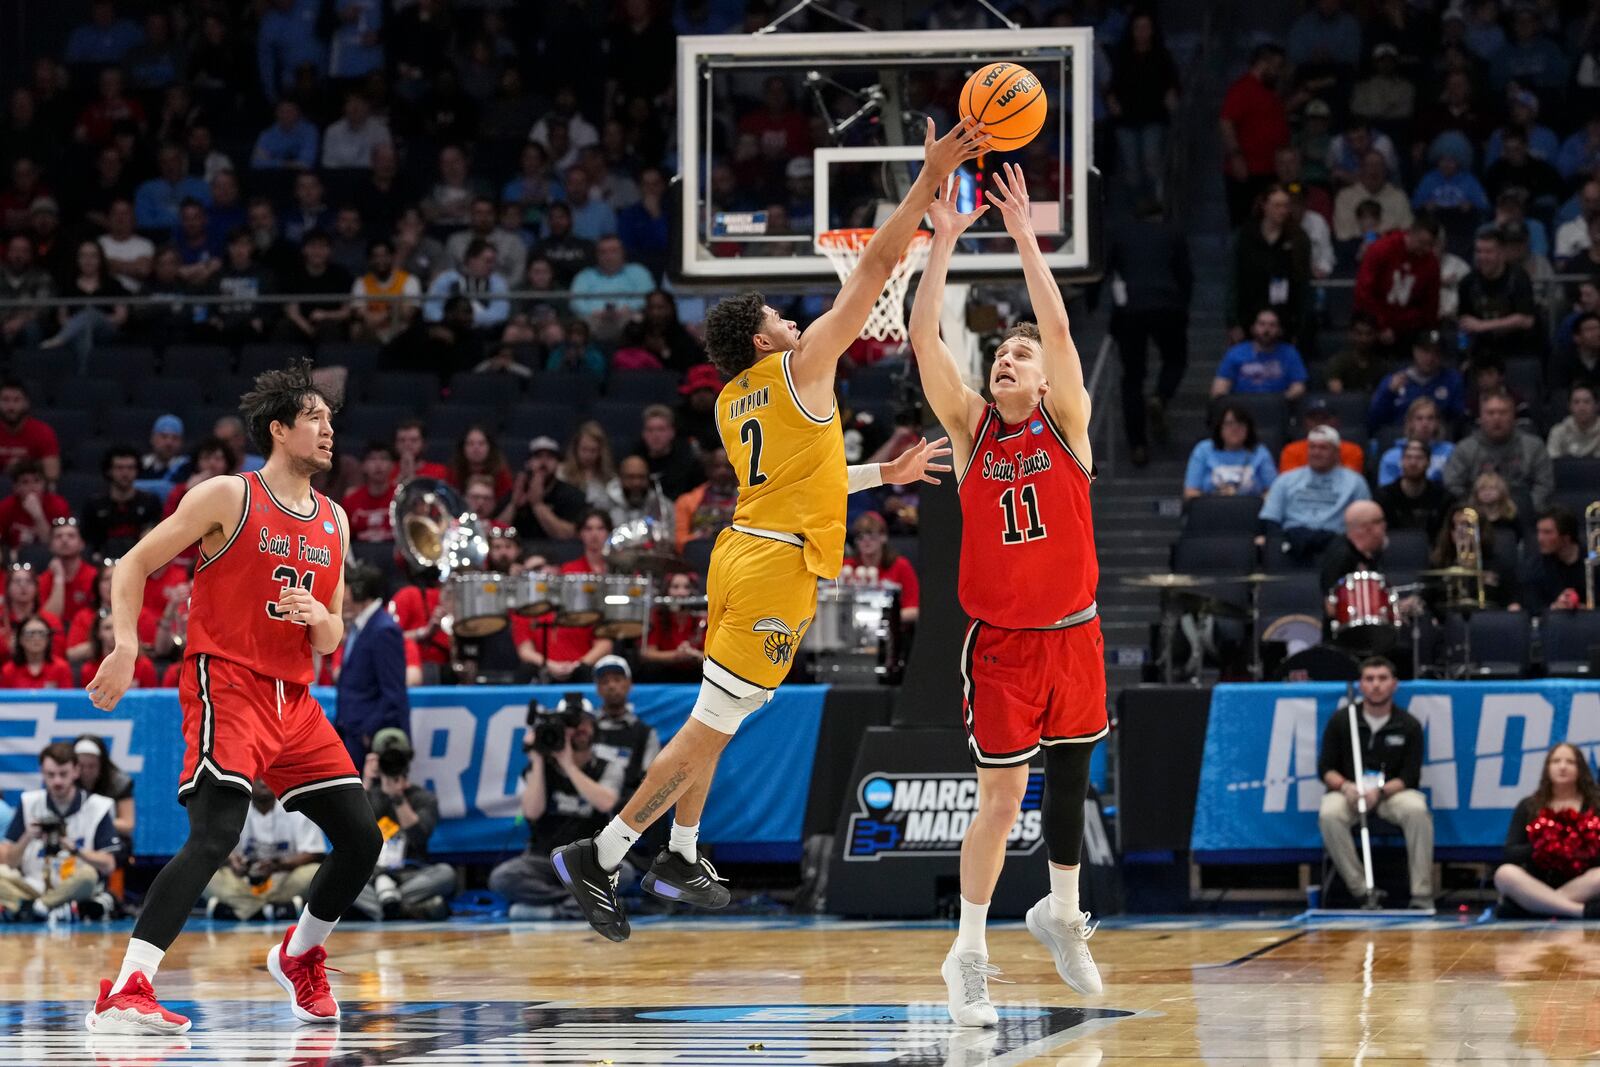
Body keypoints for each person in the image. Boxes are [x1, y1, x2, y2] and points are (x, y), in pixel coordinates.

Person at [549, 118, 983, 941]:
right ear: (764, 339)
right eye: (784, 317)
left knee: (727, 714)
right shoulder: (806, 363)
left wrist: (877, 476)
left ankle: (680, 850)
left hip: (747, 552)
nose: (796, 321)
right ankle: (601, 855)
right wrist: (928, 183)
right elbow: (881, 264)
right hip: (772, 569)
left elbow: (793, 482)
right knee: (707, 726)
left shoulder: (730, 398)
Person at [83, 360, 380, 1034]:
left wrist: (317, 615)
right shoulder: (228, 496)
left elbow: (332, 636)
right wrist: (127, 646)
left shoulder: (336, 519)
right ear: (280, 429)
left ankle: (300, 954)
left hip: (295, 700)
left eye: (331, 419)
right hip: (230, 681)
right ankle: (127, 987)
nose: (330, 429)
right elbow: (133, 563)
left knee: (363, 838)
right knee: (218, 831)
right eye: (316, 418)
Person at [907, 164, 1105, 1025]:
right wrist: (943, 244)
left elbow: (1056, 324)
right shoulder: (969, 428)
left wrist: (1025, 233)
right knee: (1000, 800)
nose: (1007, 360)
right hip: (1003, 644)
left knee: (1071, 778)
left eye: (1018, 356)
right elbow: (923, 342)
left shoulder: (1068, 425)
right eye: (999, 354)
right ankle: (969, 953)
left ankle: (1061, 913)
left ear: (1045, 382)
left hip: (1078, 632)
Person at [489, 695, 637, 919]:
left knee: (624, 873)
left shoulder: (608, 767)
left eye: (584, 723)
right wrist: (538, 760)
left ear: (594, 728)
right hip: (545, 860)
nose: (578, 729)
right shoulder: (541, 768)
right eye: (570, 724)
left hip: (590, 862)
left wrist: (568, 765)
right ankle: (582, 905)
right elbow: (532, 811)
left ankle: (550, 911)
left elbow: (605, 802)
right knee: (503, 877)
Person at [1317, 657, 1433, 909]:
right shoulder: (1342, 721)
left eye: (1382, 678)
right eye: (1369, 679)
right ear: (1361, 685)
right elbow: (1325, 769)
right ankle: (1363, 891)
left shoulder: (1408, 725)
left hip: (1390, 794)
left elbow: (1410, 776)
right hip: (1349, 791)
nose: (1376, 685)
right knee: (1329, 813)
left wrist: (1378, 792)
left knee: (1417, 809)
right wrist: (1347, 787)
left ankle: (1422, 896)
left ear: (1394, 684)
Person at [1106, 196, 1191, 464]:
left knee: (1132, 377)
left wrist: (1093, 303)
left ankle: (1137, 446)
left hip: (1129, 311)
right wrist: (1183, 307)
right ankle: (1160, 396)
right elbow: (1186, 275)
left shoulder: (1121, 235)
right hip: (1167, 305)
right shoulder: (1173, 233)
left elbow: (1106, 270)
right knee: (1176, 359)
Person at [0, 742, 120, 921]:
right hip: (32, 887)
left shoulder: (98, 806)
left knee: (89, 875)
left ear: (76, 771)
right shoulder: (28, 802)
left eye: (63, 774)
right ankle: (45, 909)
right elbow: (7, 861)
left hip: (74, 886)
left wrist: (75, 850)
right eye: (51, 775)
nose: (57, 781)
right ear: (42, 772)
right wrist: (27, 837)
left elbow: (109, 864)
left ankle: (34, 909)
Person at [352, 730, 453, 921]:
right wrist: (365, 781)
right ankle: (404, 909)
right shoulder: (366, 795)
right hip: (370, 876)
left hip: (409, 875)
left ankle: (386, 905)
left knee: (446, 873)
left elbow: (419, 837)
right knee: (336, 880)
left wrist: (397, 798)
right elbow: (351, 831)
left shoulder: (423, 798)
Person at [1493, 744, 1600, 919]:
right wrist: (1543, 847)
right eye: (1556, 761)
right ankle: (1578, 911)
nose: (1563, 766)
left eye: (1570, 762)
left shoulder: (1595, 805)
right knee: (1504, 873)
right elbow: (1510, 852)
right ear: (1547, 768)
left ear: (1580, 768)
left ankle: (1534, 907)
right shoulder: (1529, 805)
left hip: (1582, 885)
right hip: (1538, 882)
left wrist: (1581, 848)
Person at [202, 779, 326, 921]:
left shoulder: (296, 806)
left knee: (316, 872)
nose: (263, 782)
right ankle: (279, 909)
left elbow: (314, 853)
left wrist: (279, 865)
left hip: (283, 879)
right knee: (204, 873)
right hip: (243, 881)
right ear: (248, 781)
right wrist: (233, 862)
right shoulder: (234, 809)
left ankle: (240, 910)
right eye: (258, 777)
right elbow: (216, 850)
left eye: (267, 776)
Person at [334, 562, 409, 770]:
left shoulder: (383, 630)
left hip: (370, 741)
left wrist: (368, 731)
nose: (340, 595)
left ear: (358, 590)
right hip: (353, 734)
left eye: (345, 588)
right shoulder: (360, 626)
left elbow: (393, 692)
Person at [1259, 427, 1372, 564]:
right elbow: (1270, 519)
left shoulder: (1355, 482)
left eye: (1323, 448)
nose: (1316, 452)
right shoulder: (1285, 480)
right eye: (1312, 447)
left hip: (1337, 544)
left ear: (1337, 452)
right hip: (1293, 542)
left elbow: (1365, 521)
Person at [1443, 390, 1553, 511]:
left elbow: (1544, 485)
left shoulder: (1533, 446)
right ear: (1481, 417)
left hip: (1524, 512)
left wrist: (1527, 508)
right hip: (1478, 512)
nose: (1497, 418)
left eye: (1503, 412)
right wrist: (1473, 505)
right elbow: (1452, 484)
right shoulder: (1465, 449)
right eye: (1490, 413)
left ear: (1513, 416)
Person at [1227, 189, 1311, 347]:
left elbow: (1303, 283)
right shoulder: (1245, 235)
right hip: (1249, 315)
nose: (1282, 210)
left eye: (1286, 206)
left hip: (1284, 317)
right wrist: (1233, 321)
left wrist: (1300, 324)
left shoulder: (1298, 238)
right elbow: (1234, 280)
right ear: (1264, 206)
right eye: (1277, 205)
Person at [1352, 214, 1440, 346]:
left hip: (1409, 327)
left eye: (1430, 245)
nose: (1426, 249)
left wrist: (1431, 332)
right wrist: (1381, 325)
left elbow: (1431, 303)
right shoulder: (1381, 249)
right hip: (1374, 322)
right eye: (1422, 243)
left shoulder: (1431, 263)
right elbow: (1363, 292)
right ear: (1410, 234)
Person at [1456, 226, 1539, 365]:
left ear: (1502, 253)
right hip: (1482, 352)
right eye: (1479, 251)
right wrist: (1463, 354)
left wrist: (1483, 325)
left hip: (1518, 351)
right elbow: (1465, 322)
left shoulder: (1518, 278)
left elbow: (1526, 320)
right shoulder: (1468, 282)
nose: (1482, 257)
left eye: (1488, 252)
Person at [590, 655, 661, 796]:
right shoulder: (586, 728)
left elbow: (652, 781)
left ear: (629, 684)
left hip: (627, 809)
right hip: (590, 808)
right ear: (597, 688)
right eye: (604, 682)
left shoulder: (645, 734)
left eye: (617, 680)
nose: (611, 686)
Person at [1367, 331, 1465, 429]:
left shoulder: (1452, 380)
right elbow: (1373, 421)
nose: (1430, 358)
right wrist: (1388, 393)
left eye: (1436, 352)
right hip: (1398, 439)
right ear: (1415, 351)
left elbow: (1458, 421)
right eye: (1425, 351)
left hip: (1437, 439)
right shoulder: (1394, 379)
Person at [1183, 403, 1277, 500]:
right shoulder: (1203, 450)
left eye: (1240, 424)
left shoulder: (1260, 452)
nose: (1235, 429)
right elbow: (1190, 492)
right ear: (1220, 427)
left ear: (1248, 429)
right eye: (1229, 424)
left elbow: (1273, 492)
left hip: (1249, 510)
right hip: (1212, 509)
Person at [843, 511, 920, 624]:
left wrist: (880, 618)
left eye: (872, 535)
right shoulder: (846, 568)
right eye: (861, 537)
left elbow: (914, 610)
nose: (866, 541)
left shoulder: (901, 566)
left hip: (891, 633)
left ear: (883, 537)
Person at [1211, 308, 1307, 399]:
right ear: (1253, 328)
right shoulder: (1236, 352)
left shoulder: (1290, 353)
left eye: (1272, 325)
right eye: (1262, 324)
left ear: (1279, 330)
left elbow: (1299, 387)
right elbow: (1219, 387)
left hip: (1278, 406)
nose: (1266, 329)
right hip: (1243, 407)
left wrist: (1280, 400)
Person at [506, 436, 587, 540]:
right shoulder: (518, 491)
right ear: (528, 463)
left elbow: (568, 535)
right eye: (538, 457)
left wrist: (537, 505)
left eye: (550, 457)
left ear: (558, 463)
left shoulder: (572, 495)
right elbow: (495, 532)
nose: (543, 462)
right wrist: (513, 505)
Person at [1375, 439, 1449, 541]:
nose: (1413, 463)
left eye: (1419, 458)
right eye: (1408, 457)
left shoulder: (1443, 497)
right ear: (1401, 462)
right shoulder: (1384, 497)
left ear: (1428, 462)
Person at [1520, 508, 1588, 615]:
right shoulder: (1534, 567)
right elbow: (1532, 606)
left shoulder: (1593, 563)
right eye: (1539, 532)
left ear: (1566, 537)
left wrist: (1587, 610)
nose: (1540, 538)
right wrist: (1554, 607)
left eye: (1547, 532)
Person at [630, 405, 704, 500]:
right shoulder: (634, 464)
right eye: (650, 430)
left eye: (661, 429)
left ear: (672, 432)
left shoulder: (689, 464)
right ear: (643, 434)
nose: (655, 435)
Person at [1376, 398, 1452, 485]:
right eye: (1419, 418)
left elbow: (1453, 486)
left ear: (1437, 422)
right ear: (1410, 422)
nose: (1425, 424)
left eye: (1430, 418)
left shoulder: (1450, 452)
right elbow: (1386, 492)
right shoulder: (1391, 457)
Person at [74, 735, 135, 838]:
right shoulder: (65, 781)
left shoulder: (118, 783)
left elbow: (128, 824)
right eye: (81, 766)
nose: (86, 771)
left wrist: (95, 820)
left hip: (111, 840)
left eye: (91, 766)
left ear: (101, 764)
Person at [0, 380, 61, 482]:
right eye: (5, 400)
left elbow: (52, 474)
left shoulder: (43, 432)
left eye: (16, 400)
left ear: (26, 403)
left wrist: (22, 467)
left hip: (31, 490)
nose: (11, 407)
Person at [1278, 400, 1363, 474]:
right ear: (1305, 422)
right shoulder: (1291, 451)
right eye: (1314, 418)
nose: (1319, 422)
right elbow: (1290, 485)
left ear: (1336, 422)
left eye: (1325, 418)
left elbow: (1351, 483)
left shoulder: (1353, 451)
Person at [558, 422, 618, 514]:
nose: (588, 455)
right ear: (576, 449)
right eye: (584, 450)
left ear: (601, 452)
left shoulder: (610, 478)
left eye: (593, 450)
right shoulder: (561, 473)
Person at [1323, 313, 1388, 396]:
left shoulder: (1382, 365)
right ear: (1350, 334)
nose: (1364, 339)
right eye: (1359, 333)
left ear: (1375, 335)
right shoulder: (1338, 363)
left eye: (1368, 334)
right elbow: (1337, 394)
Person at [2, 615, 73, 689]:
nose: (36, 638)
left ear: (48, 639)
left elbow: (68, 699)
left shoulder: (61, 668)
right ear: (20, 639)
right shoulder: (9, 671)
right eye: (30, 633)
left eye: (41, 633)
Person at [1548, 382, 1600, 458]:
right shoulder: (1558, 431)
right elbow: (1552, 461)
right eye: (1576, 402)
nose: (1581, 408)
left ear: (1597, 405)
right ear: (1569, 406)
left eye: (1587, 402)